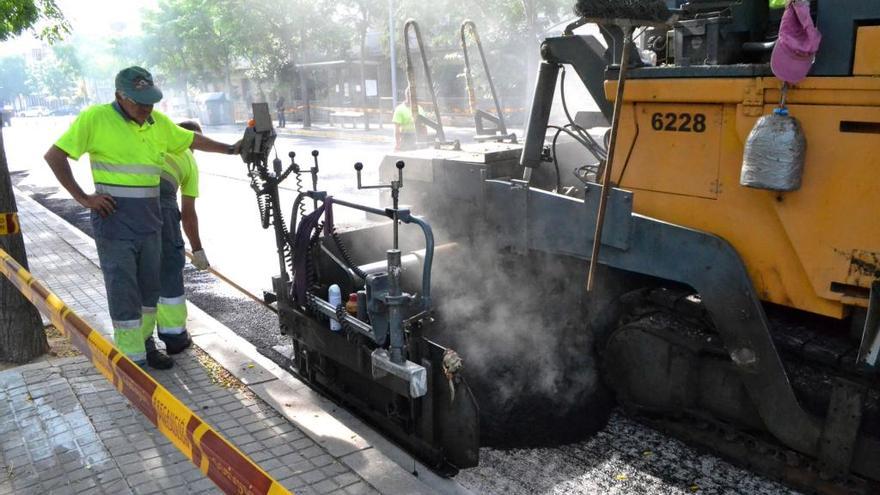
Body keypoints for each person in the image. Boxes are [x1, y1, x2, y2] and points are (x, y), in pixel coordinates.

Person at [43, 66, 240, 369]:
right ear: (119, 97)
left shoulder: (157, 123)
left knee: (150, 292)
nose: (146, 107)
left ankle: (145, 345)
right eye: (139, 101)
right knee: (125, 291)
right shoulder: (96, 118)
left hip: (150, 223)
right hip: (116, 223)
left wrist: (231, 150)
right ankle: (131, 360)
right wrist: (84, 198)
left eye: (150, 101)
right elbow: (54, 156)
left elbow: (191, 140)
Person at [154, 120, 208, 356]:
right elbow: (188, 214)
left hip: (127, 206)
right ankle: (175, 338)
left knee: (141, 273)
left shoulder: (156, 144)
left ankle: (141, 344)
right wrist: (198, 250)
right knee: (168, 272)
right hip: (161, 207)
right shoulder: (188, 158)